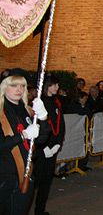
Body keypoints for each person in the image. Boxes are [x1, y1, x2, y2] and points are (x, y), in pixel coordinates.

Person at [0, 69, 47, 215]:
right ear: (4, 87)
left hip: (25, 174)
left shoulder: (27, 112)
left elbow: (41, 139)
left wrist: (43, 117)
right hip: (4, 176)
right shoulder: (1, 112)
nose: (19, 89)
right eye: (14, 85)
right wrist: (23, 135)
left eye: (22, 86)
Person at [33, 74, 66, 215]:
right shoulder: (41, 102)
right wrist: (44, 146)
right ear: (47, 85)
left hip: (53, 147)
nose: (57, 88)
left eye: (57, 85)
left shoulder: (56, 102)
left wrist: (58, 143)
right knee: (35, 179)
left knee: (47, 180)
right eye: (54, 85)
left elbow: (60, 123)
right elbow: (39, 125)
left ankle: (40, 210)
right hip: (42, 147)